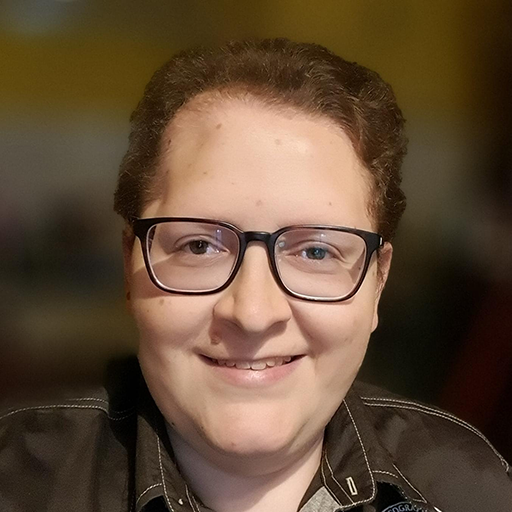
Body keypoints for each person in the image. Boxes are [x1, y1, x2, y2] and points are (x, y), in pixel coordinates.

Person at [1, 38, 511, 512]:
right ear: (129, 268)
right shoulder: (19, 484)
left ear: (378, 283)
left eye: (315, 251)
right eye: (199, 246)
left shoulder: (469, 489)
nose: (252, 313)